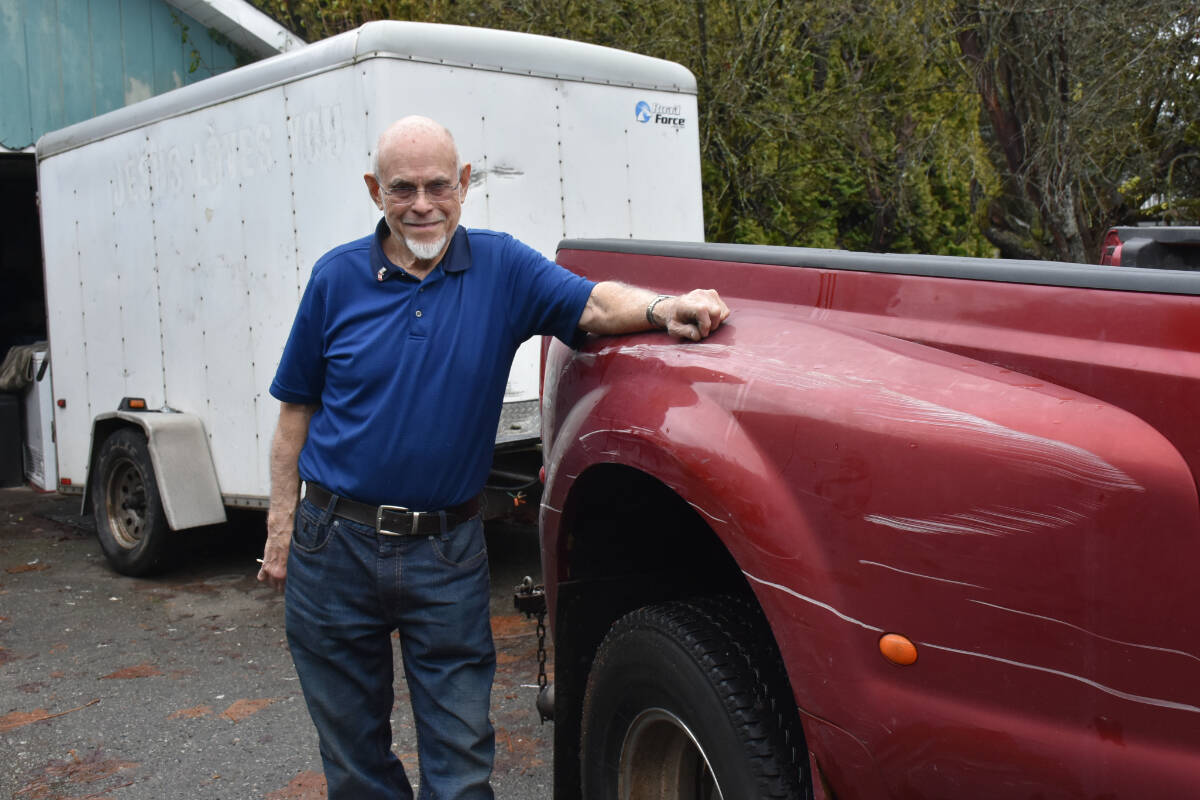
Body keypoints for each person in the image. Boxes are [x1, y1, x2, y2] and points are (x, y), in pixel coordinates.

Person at [257, 115, 729, 800]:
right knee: (355, 763)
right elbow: (294, 414)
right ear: (373, 190)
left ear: (466, 183)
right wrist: (280, 531)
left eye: (438, 186)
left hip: (444, 551)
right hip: (334, 545)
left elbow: (593, 303)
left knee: (460, 761)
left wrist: (663, 307)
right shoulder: (335, 280)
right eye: (402, 188)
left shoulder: (503, 268)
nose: (422, 204)